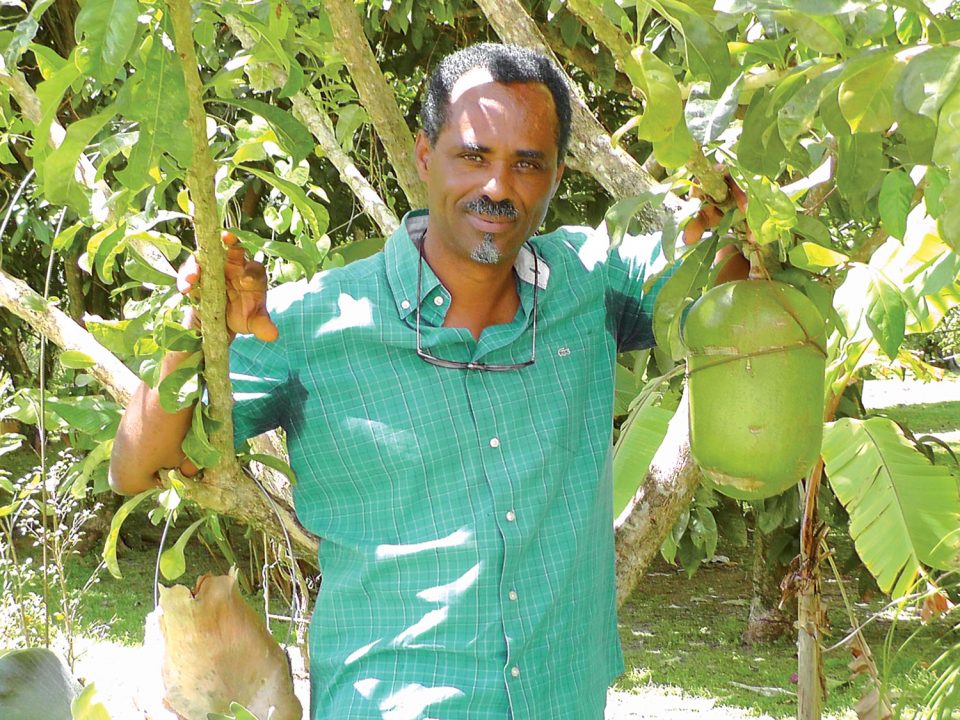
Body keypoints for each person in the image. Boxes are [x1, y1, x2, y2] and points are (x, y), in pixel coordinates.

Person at [111, 43, 739, 720]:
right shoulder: (307, 323)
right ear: (424, 154)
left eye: (527, 163)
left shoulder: (594, 282)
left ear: (557, 175)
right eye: (474, 155)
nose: (499, 187)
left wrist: (734, 209)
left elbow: (725, 289)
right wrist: (195, 326)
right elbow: (137, 466)